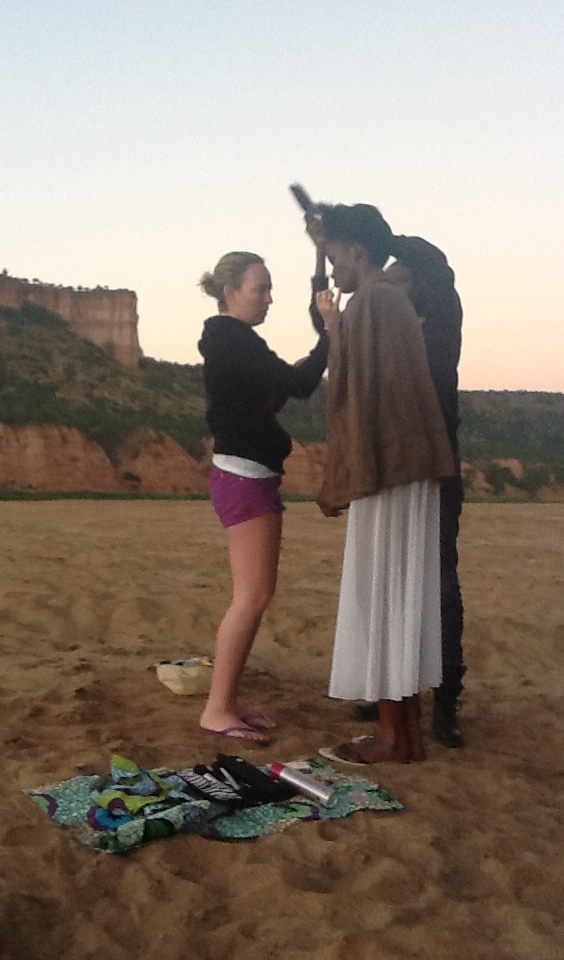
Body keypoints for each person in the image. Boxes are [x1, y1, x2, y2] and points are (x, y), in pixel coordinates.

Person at [311, 204, 455, 763]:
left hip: (388, 470)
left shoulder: (371, 300)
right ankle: (407, 737)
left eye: (334, 258)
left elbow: (353, 392)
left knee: (384, 599)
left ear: (358, 252)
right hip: (408, 467)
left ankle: (394, 740)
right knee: (401, 599)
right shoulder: (393, 298)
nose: (333, 270)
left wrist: (343, 476)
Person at [197, 251, 329, 744]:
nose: (269, 299)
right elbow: (299, 384)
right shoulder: (232, 338)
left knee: (256, 596)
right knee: (251, 597)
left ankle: (226, 702)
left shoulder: (233, 341)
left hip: (251, 475)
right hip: (244, 477)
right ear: (230, 291)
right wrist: (330, 334)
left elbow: (283, 386)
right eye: (261, 289)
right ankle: (217, 709)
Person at [351, 236, 466, 747]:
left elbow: (433, 261)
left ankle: (445, 704)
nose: (389, 287)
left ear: (419, 282)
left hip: (436, 472)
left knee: (440, 585)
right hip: (393, 468)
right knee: (390, 581)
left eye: (398, 279)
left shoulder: (441, 318)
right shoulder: (387, 325)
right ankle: (388, 690)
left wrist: (372, 234)